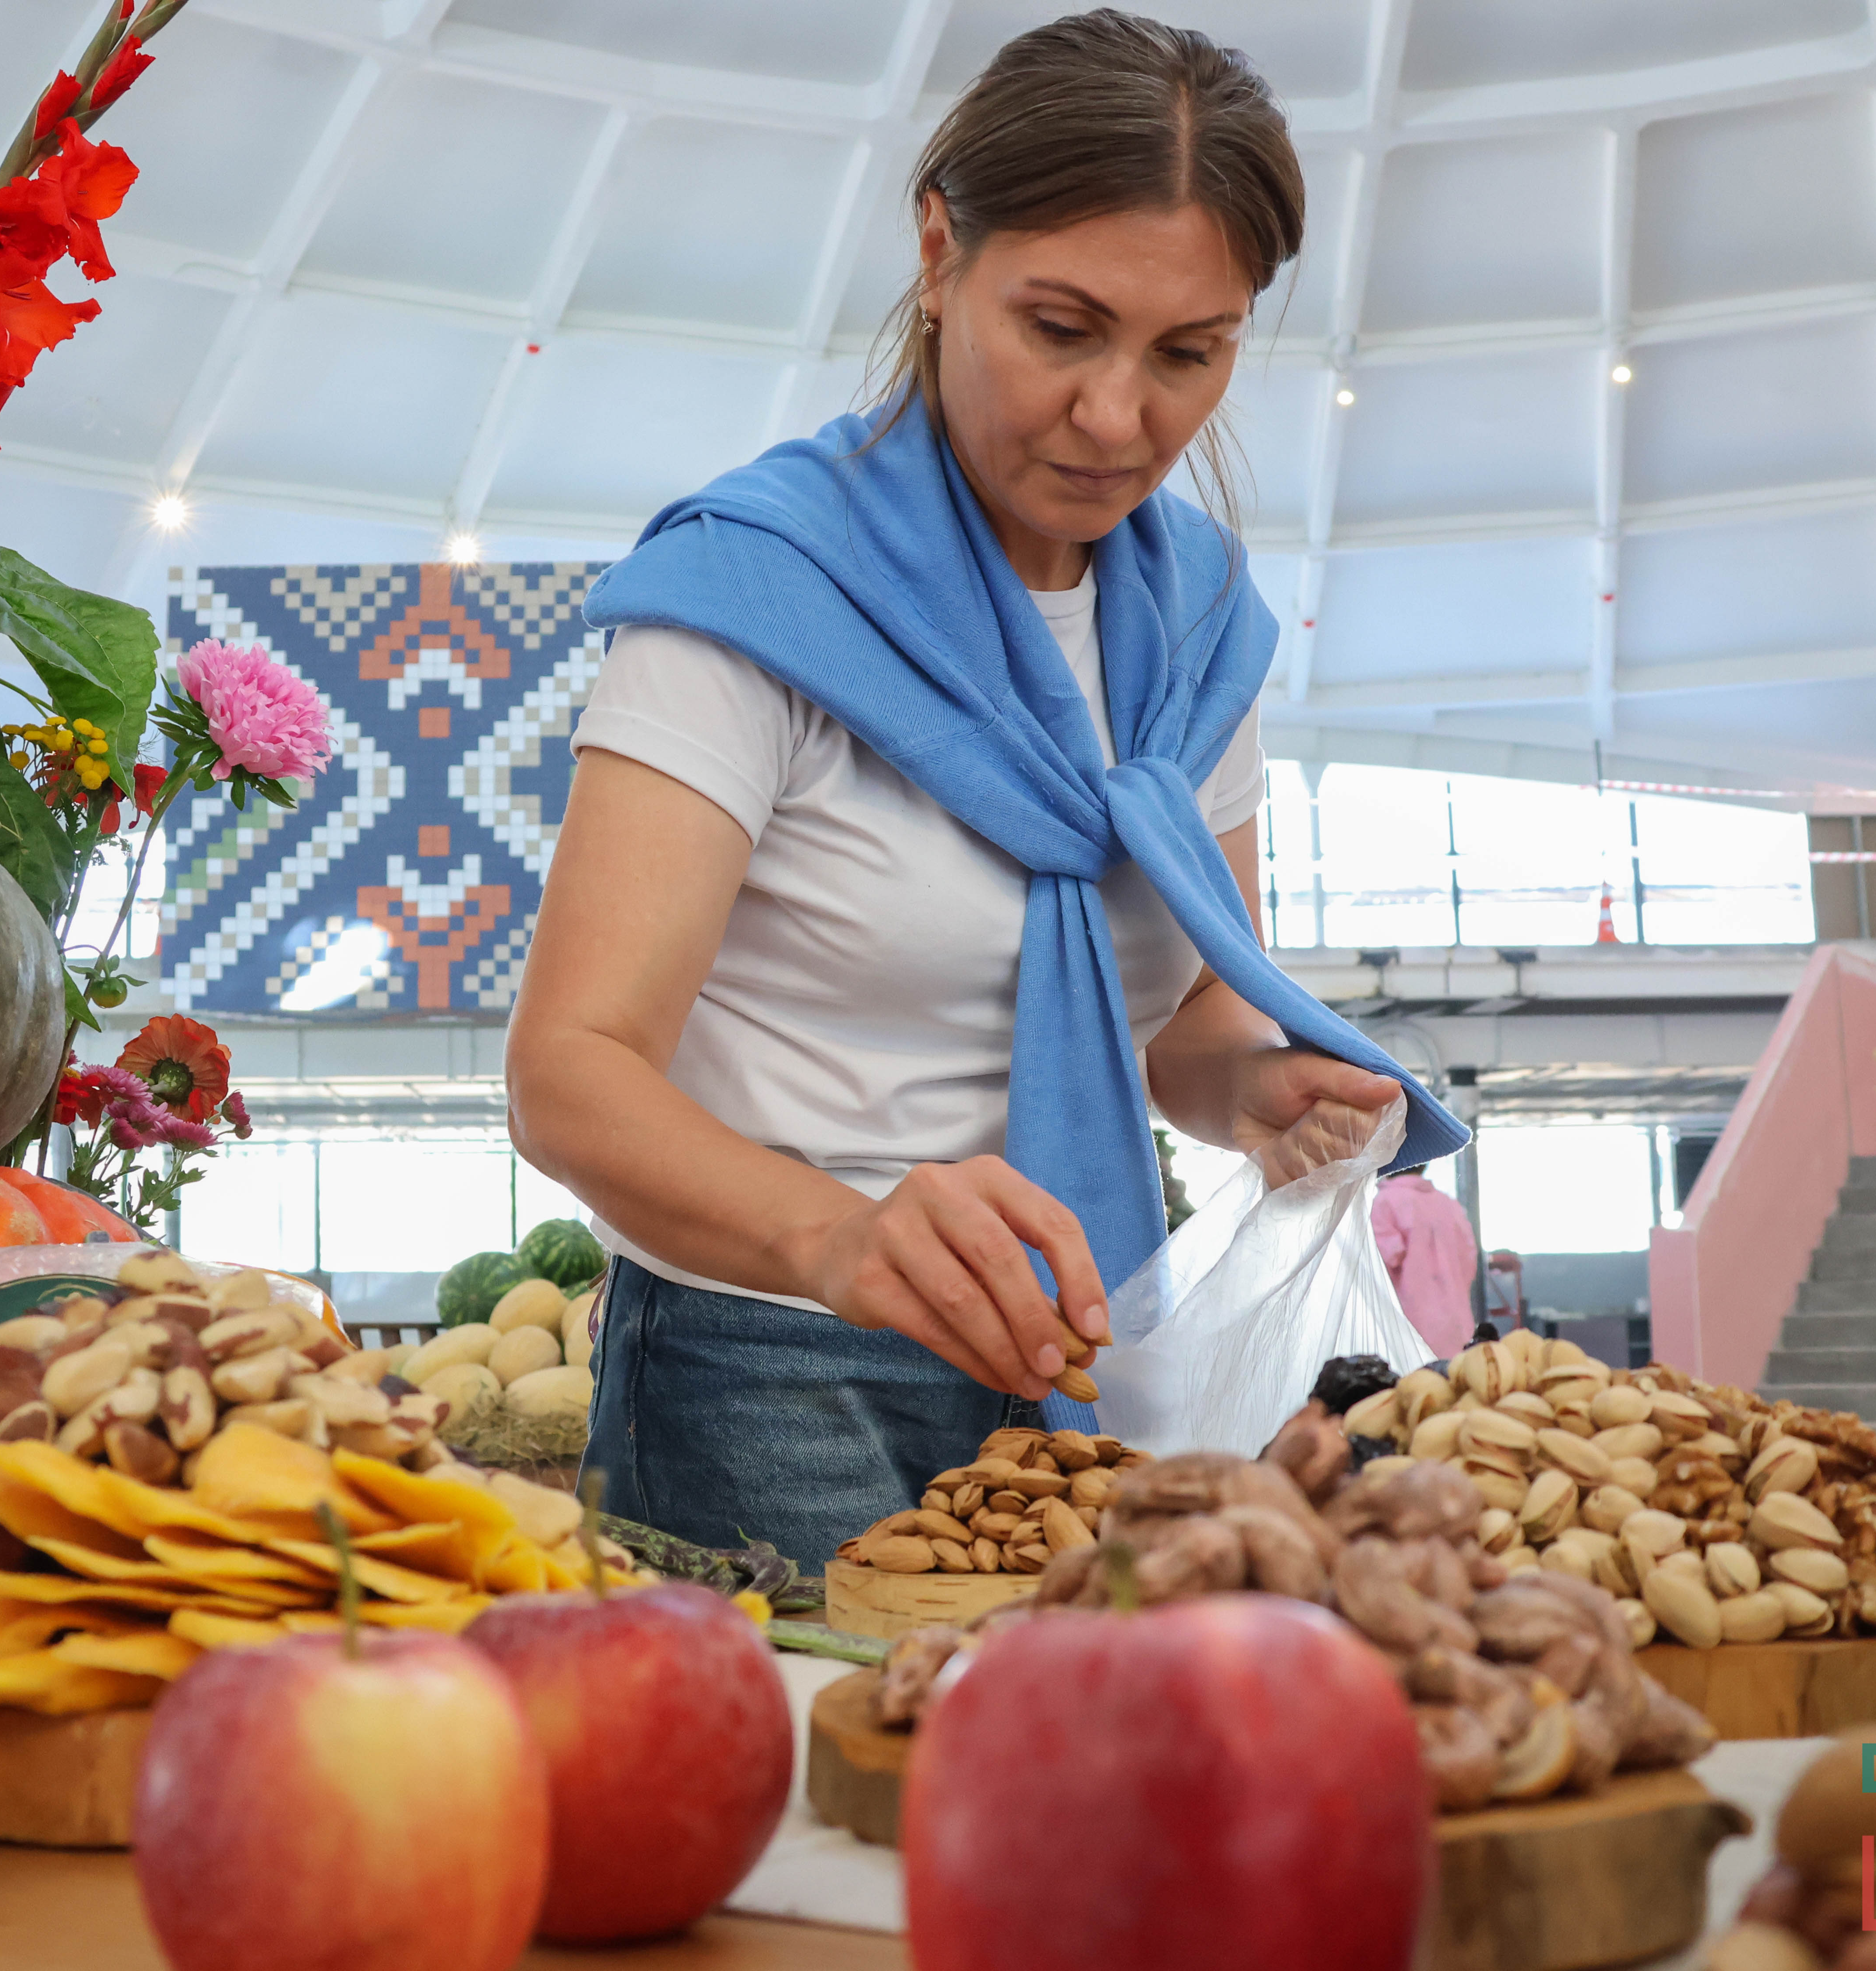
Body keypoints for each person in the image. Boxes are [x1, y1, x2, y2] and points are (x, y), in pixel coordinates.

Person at [504, 11, 1465, 1567]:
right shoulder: (755, 599)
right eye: (1062, 328)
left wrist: (1256, 1093)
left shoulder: (1198, 629)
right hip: (775, 1364)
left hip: (1100, 1353)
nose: (1115, 419)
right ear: (940, 254)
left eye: (1188, 354)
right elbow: (571, 1070)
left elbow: (1185, 1024)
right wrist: (842, 1236)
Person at [1371, 1165, 1480, 1361]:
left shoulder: (1385, 1203)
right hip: (1458, 1326)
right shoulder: (1448, 1204)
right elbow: (1469, 1260)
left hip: (1413, 1329)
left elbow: (1384, 1261)